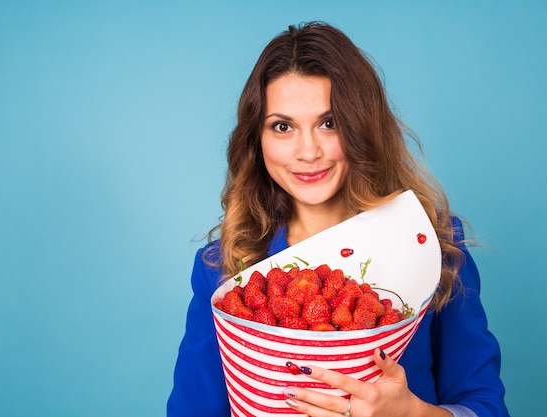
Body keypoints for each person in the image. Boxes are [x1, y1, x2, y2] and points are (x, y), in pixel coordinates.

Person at [167, 22, 509, 417]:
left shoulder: (433, 244)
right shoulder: (222, 268)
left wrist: (413, 414)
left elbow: (487, 406)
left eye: (329, 123)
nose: (308, 151)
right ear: (256, 140)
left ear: (363, 126)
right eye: (283, 127)